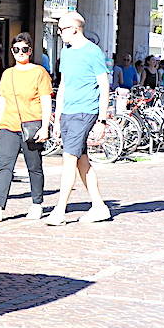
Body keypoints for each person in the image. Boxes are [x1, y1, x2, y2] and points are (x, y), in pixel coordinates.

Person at [0, 32, 52, 222]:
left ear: (30, 51)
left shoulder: (39, 72)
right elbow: (3, 102)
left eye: (24, 49)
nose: (20, 53)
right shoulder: (8, 74)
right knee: (4, 166)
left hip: (31, 125)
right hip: (9, 126)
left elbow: (45, 100)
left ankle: (37, 204)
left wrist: (45, 126)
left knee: (34, 166)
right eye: (16, 50)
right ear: (12, 51)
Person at [45, 12, 111, 225]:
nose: (60, 33)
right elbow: (63, 85)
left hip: (84, 112)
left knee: (69, 160)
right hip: (69, 113)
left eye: (63, 29)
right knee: (82, 161)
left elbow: (103, 85)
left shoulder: (93, 52)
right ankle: (99, 206)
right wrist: (58, 116)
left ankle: (59, 210)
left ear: (74, 28)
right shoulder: (66, 53)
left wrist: (102, 119)